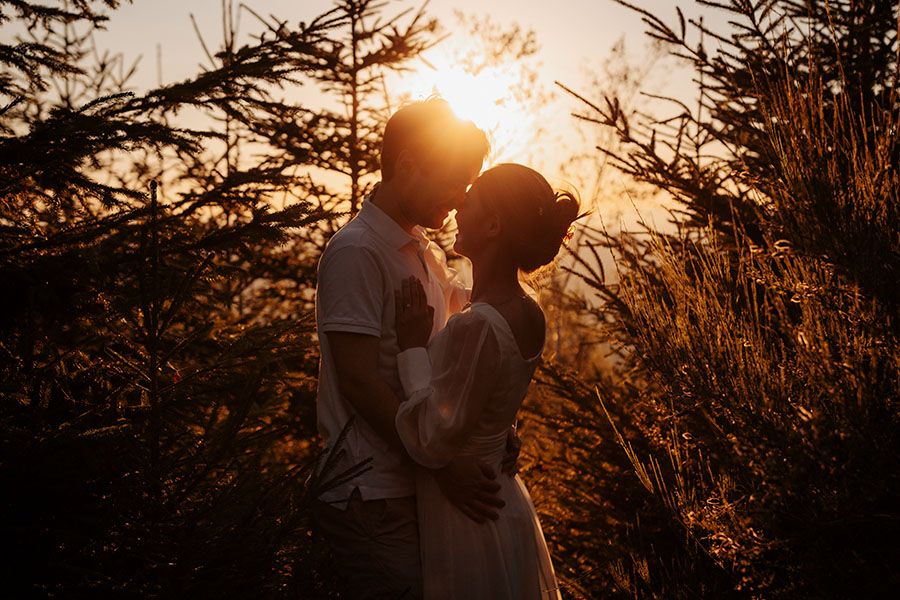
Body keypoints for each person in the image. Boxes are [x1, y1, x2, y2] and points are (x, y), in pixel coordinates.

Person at [313, 97, 516, 599]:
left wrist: (490, 429)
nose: (460, 197)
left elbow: (460, 352)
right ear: (407, 164)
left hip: (414, 487)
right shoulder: (357, 252)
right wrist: (444, 465)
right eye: (453, 180)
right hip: (370, 495)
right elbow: (360, 381)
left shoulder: (422, 251)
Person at [392, 163, 579, 599]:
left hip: (467, 513)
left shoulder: (477, 324)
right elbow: (492, 394)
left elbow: (432, 435)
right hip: (503, 497)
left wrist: (412, 348)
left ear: (493, 225)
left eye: (469, 203)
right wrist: (502, 433)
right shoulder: (529, 310)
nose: (458, 210)